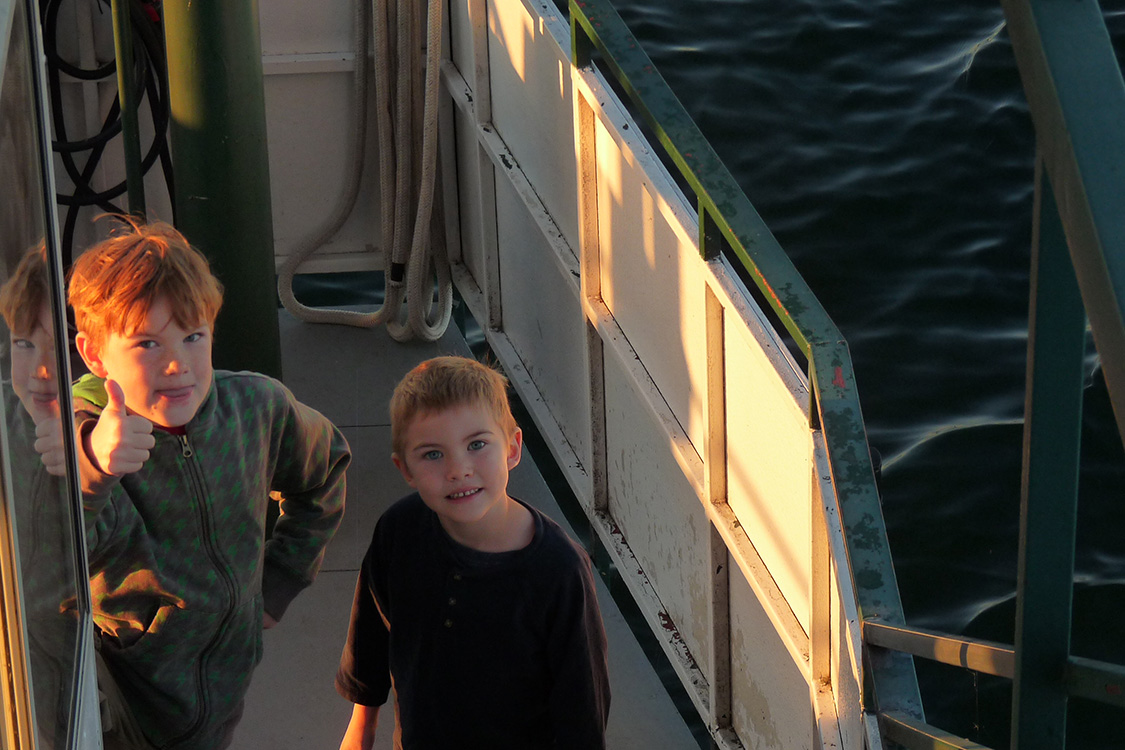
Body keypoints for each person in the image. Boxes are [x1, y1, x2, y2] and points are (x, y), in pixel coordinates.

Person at [68, 218, 351, 750]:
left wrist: (279, 581)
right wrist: (93, 469)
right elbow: (50, 562)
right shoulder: (77, 445)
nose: (178, 364)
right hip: (127, 706)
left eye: (193, 336)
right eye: (147, 343)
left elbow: (325, 467)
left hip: (224, 686)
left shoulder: (257, 407)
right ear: (94, 354)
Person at [335, 355, 610, 750]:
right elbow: (371, 634)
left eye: (477, 444)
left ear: (512, 448)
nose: (458, 469)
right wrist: (361, 727)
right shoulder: (399, 531)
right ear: (405, 469)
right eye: (433, 454)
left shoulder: (560, 571)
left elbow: (582, 707)